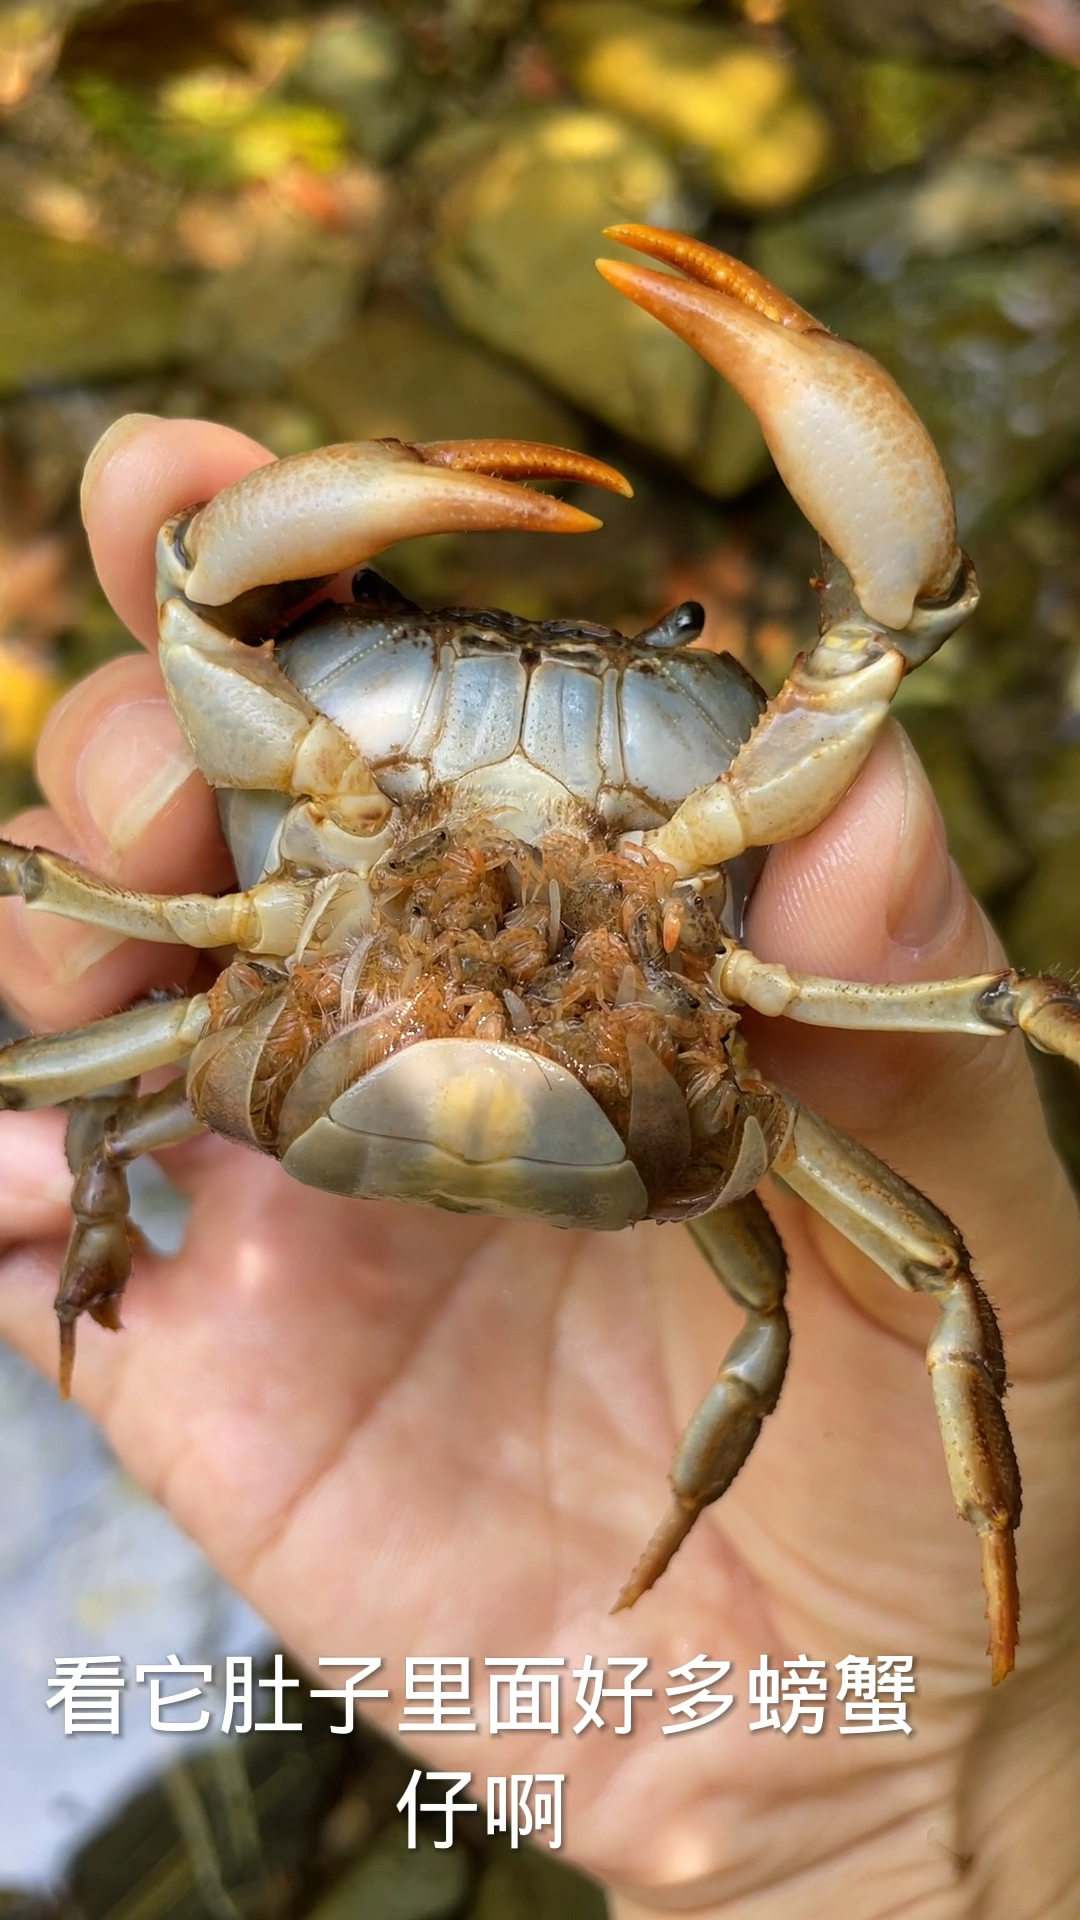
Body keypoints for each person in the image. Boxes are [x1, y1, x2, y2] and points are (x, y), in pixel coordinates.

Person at [0, 415, 1077, 1916]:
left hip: (552, 1107)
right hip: (305, 1047)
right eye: (411, 642)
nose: (519, 734)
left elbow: (907, 1287)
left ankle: (973, 1585)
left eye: (665, 670)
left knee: (921, 1279)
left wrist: (886, 1811)